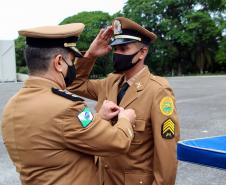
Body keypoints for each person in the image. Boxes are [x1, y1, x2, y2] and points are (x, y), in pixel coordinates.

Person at [1, 23, 136, 185]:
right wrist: (125, 119)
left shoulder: (12, 106)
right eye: (71, 61)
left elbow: (58, 136)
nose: (72, 66)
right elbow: (116, 142)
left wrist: (99, 118)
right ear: (58, 62)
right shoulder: (67, 108)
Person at [69, 17, 180, 185]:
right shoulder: (110, 82)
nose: (117, 54)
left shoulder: (158, 90)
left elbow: (167, 154)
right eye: (115, 49)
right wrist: (90, 55)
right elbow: (74, 83)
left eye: (124, 48)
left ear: (142, 52)